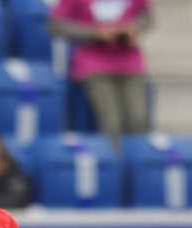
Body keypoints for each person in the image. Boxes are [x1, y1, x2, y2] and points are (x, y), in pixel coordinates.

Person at [50, 0, 152, 142]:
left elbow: (146, 16)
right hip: (94, 65)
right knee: (112, 122)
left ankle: (138, 161)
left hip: (130, 63)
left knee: (138, 120)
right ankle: (112, 161)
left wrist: (134, 29)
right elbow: (56, 25)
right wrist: (94, 33)